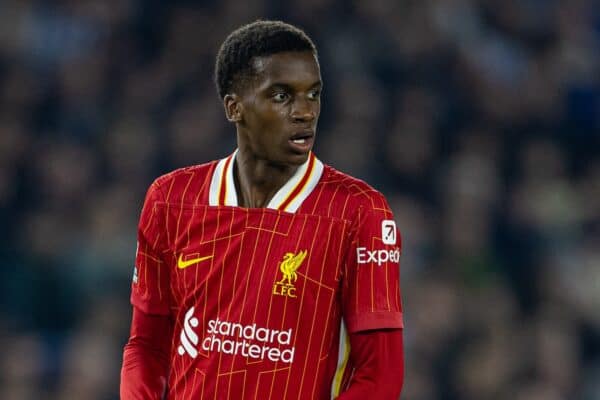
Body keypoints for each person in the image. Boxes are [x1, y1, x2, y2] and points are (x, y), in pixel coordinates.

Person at [120, 20, 404, 399]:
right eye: (282, 96)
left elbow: (380, 374)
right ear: (234, 107)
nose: (305, 112)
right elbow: (146, 347)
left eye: (314, 94)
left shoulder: (359, 212)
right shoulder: (172, 198)